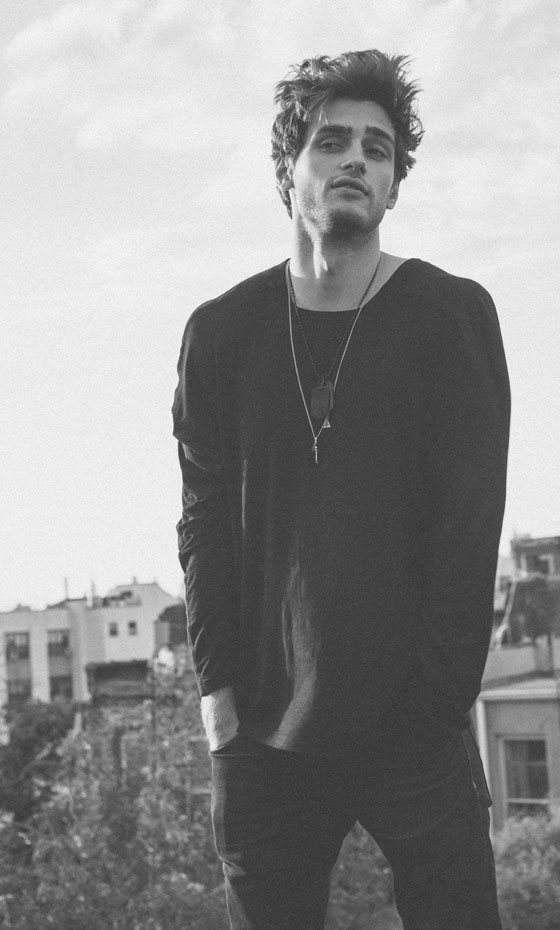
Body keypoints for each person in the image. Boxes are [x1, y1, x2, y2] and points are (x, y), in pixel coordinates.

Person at [172, 49, 510, 930]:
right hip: (265, 731)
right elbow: (204, 525)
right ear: (288, 169)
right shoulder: (220, 335)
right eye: (332, 142)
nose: (357, 159)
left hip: (415, 727)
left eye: (378, 148)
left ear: (394, 185)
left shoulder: (451, 318)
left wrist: (437, 707)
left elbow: (470, 527)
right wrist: (219, 701)